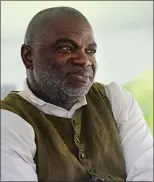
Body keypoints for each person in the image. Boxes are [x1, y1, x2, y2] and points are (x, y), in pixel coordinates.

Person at [1, 6, 153, 182]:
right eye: (66, 48)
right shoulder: (9, 120)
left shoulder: (114, 99)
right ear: (28, 57)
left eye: (91, 50)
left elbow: (147, 169)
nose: (84, 60)